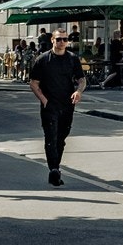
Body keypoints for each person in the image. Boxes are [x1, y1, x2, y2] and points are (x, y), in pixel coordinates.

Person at [28, 29, 87, 187]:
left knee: (61, 138)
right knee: (51, 138)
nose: (62, 42)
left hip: (67, 104)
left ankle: (56, 167)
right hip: (50, 105)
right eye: (59, 39)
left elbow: (82, 79)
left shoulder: (72, 59)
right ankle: (54, 169)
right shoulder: (43, 59)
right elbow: (33, 83)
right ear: (52, 40)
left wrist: (78, 92)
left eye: (65, 39)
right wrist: (43, 99)